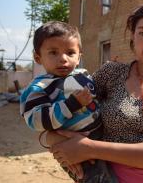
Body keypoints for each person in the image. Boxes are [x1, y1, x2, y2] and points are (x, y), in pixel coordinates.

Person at [50, 2, 143, 183]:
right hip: (100, 176)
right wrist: (50, 138)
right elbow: (64, 106)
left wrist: (89, 148)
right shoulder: (110, 73)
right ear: (133, 37)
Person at [19, 21, 117, 183]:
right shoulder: (40, 87)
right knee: (99, 179)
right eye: (53, 53)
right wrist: (71, 104)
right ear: (38, 57)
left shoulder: (82, 75)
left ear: (79, 57)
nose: (63, 59)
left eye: (70, 53)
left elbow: (96, 94)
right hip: (74, 145)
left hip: (102, 135)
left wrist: (111, 73)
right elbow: (36, 120)